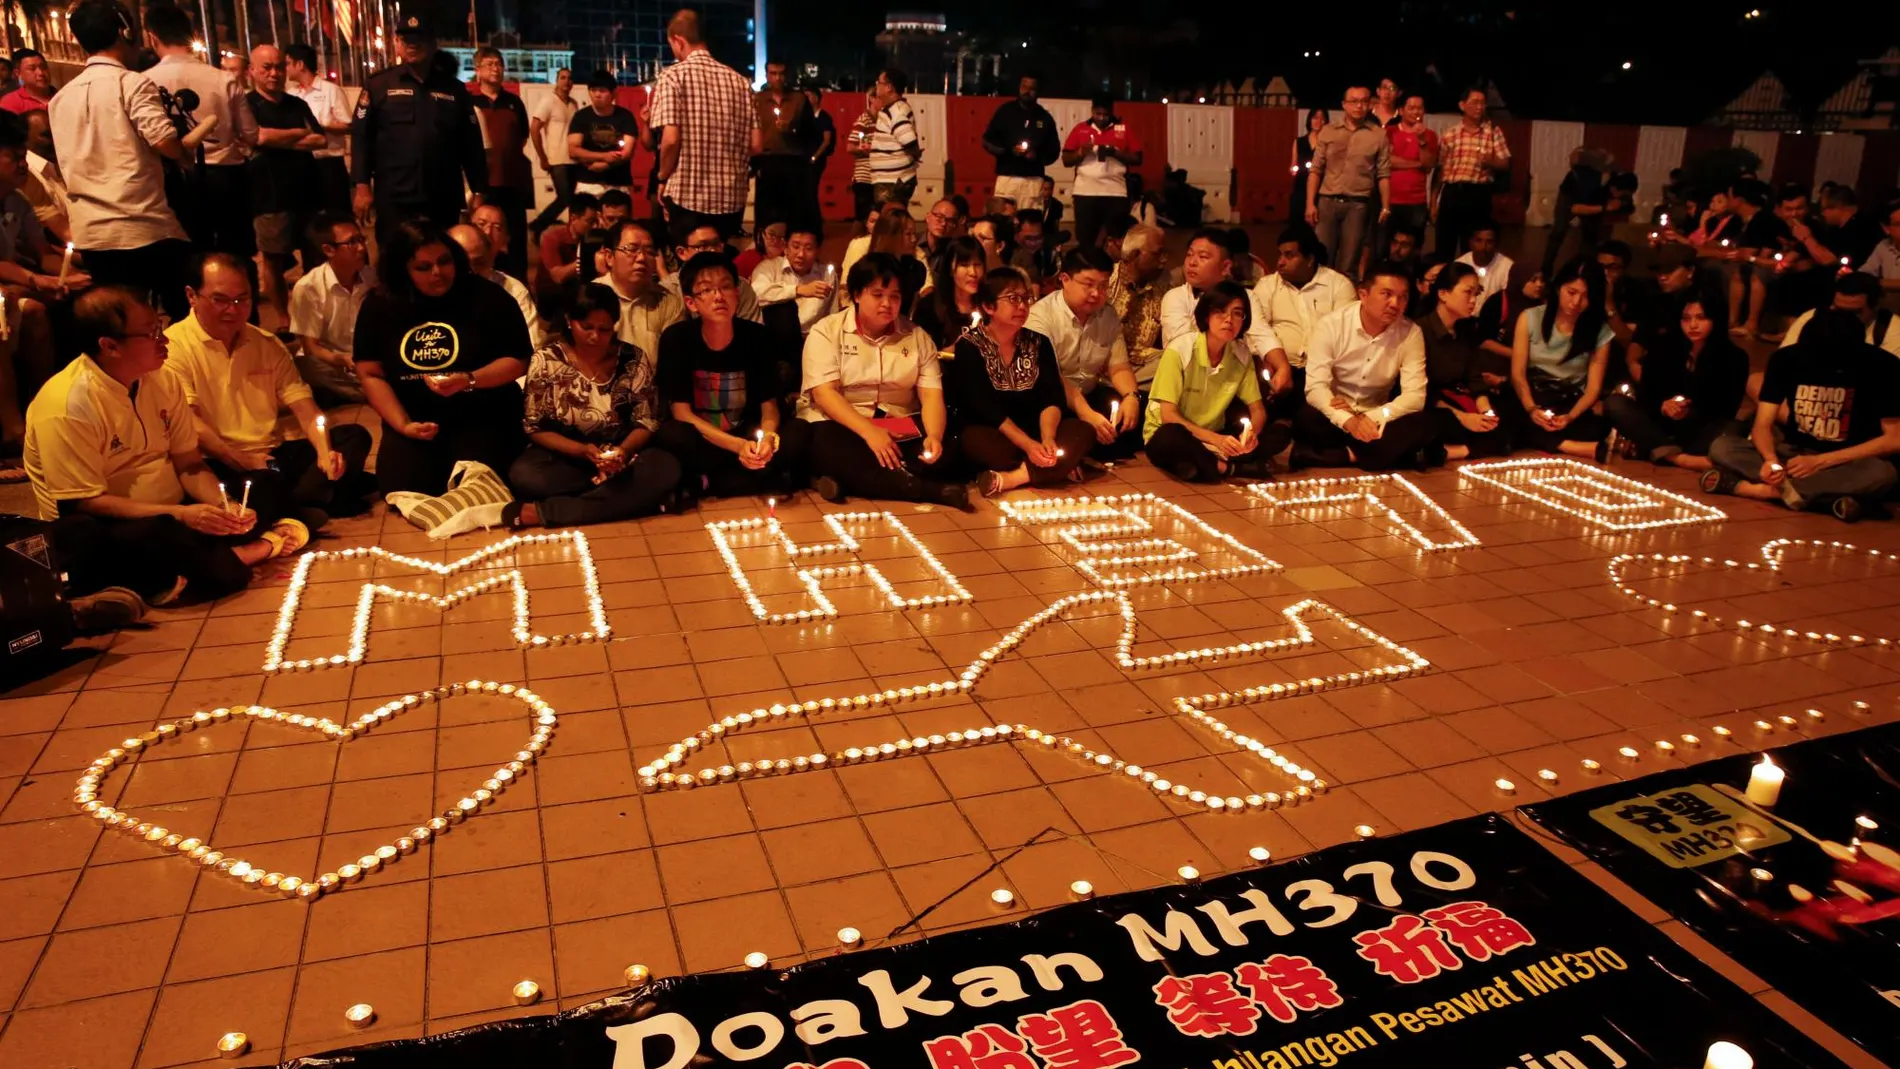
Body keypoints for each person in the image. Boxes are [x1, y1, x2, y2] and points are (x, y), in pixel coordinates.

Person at [26, 288, 292, 606]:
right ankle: (253, 549)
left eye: (161, 325)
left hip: (177, 509)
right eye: (151, 333)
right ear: (110, 346)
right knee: (162, 542)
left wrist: (226, 508)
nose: (164, 339)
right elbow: (84, 502)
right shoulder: (68, 405)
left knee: (264, 481)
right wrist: (179, 515)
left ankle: (198, 563)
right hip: (118, 525)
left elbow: (189, 463)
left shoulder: (162, 379)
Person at [166, 252, 373, 528]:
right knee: (260, 486)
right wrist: (240, 459)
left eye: (242, 299)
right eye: (221, 300)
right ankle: (315, 499)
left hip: (273, 458)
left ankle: (303, 502)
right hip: (221, 461)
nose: (234, 309)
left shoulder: (265, 343)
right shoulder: (173, 347)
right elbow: (191, 424)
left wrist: (324, 451)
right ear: (192, 296)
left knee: (353, 437)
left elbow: (304, 406)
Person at [352, 219, 530, 494]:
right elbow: (370, 373)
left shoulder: (487, 296)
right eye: (423, 267)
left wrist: (470, 379)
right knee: (404, 487)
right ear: (403, 270)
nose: (438, 272)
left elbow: (518, 360)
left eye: (444, 262)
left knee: (482, 486)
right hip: (414, 418)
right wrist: (403, 424)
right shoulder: (379, 306)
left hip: (481, 412)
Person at [51, 0, 193, 319]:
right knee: (182, 317)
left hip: (92, 234)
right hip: (143, 228)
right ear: (124, 32)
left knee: (120, 324)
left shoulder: (59, 98)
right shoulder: (130, 83)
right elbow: (164, 140)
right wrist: (184, 155)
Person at [496, 282, 679, 526]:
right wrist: (583, 451)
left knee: (665, 466)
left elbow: (647, 419)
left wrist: (622, 452)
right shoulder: (547, 360)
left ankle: (546, 512)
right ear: (570, 321)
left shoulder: (633, 358)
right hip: (570, 458)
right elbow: (535, 427)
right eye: (587, 327)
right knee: (526, 475)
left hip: (625, 456)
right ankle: (640, 500)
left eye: (604, 329)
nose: (595, 336)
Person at [799, 253, 966, 508]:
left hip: (896, 422)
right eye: (877, 295)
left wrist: (934, 435)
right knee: (829, 447)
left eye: (895, 296)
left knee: (948, 446)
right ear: (856, 294)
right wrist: (870, 432)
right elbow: (825, 395)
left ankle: (849, 480)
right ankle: (923, 489)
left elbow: (931, 395)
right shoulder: (827, 332)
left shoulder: (917, 337)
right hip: (843, 423)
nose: (887, 303)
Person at [1704, 308, 1900, 521]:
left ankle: (1757, 490)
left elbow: (1894, 438)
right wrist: (1771, 460)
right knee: (1722, 447)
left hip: (1847, 460)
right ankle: (1825, 500)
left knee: (1882, 474)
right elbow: (1762, 424)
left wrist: (1821, 462)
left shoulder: (1883, 367)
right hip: (1792, 455)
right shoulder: (1787, 359)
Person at [655, 254, 808, 498]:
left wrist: (767, 440)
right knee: (671, 435)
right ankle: (752, 478)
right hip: (706, 440)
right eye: (706, 290)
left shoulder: (756, 337)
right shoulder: (677, 339)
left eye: (726, 287)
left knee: (798, 431)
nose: (718, 296)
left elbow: (768, 406)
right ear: (691, 303)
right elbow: (681, 414)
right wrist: (737, 447)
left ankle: (711, 482)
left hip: (746, 433)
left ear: (737, 293)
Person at [953, 268, 1094, 495]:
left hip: (1037, 429)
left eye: (1026, 298)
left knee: (1083, 431)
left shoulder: (1039, 342)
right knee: (981, 445)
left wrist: (1047, 438)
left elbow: (1052, 397)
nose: (1022, 306)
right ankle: (1056, 467)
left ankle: (1013, 477)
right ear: (989, 306)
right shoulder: (969, 346)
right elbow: (984, 408)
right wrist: (1028, 445)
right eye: (1013, 299)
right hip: (998, 433)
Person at [350, 14, 486, 246]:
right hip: (395, 196)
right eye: (406, 41)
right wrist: (361, 186)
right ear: (397, 44)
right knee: (394, 262)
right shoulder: (378, 85)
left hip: (443, 197)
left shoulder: (455, 90)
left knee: (442, 260)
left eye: (419, 40)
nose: (412, 46)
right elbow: (361, 138)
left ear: (433, 44)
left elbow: (472, 145)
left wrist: (479, 191)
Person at [1294, 264, 1442, 471]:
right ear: (1363, 294)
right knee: (1307, 416)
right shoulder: (1331, 325)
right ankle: (1379, 455)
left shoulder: (1410, 333)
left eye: (1403, 297)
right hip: (1337, 414)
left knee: (1423, 422)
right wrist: (1349, 421)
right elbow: (1316, 388)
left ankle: (1346, 455)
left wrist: (1371, 417)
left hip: (1378, 417)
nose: (1395, 304)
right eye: (1387, 294)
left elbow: (1415, 397)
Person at [1606, 274, 1746, 471]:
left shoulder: (1734, 357)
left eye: (1701, 318)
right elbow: (1647, 393)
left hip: (1700, 430)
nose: (1693, 326)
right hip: (1659, 425)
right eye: (1686, 319)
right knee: (1616, 404)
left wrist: (1689, 411)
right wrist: (1663, 406)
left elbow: (1726, 408)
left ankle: (1658, 452)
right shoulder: (1664, 347)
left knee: (1732, 428)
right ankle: (1675, 456)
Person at [1142, 282, 1269, 482]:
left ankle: (1202, 465)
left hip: (1214, 433)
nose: (1229, 320)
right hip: (1175, 434)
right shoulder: (1181, 349)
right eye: (1220, 312)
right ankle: (1226, 468)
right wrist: (1216, 440)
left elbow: (1258, 410)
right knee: (1170, 436)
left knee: (1278, 433)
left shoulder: (1241, 354)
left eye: (1237, 313)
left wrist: (1250, 434)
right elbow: (1168, 415)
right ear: (1206, 315)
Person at [650, 9, 757, 245]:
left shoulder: (672, 76)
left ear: (678, 40)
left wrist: (662, 177)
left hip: (687, 198)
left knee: (691, 270)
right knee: (722, 267)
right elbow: (756, 145)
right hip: (731, 200)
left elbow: (670, 140)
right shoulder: (740, 82)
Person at [1024, 245, 1140, 461]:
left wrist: (1132, 397)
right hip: (1051, 400)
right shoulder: (1040, 317)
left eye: (1104, 286)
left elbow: (1119, 366)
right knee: (1076, 430)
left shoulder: (1107, 315)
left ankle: (1085, 453)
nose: (1097, 293)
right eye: (1088, 284)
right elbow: (1053, 378)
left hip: (1088, 394)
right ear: (1065, 279)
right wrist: (1087, 415)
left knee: (1128, 418)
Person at [246, 44, 324, 324]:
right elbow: (258, 138)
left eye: (279, 66)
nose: (274, 73)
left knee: (316, 259)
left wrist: (276, 139)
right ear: (252, 71)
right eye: (266, 67)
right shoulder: (247, 105)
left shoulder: (297, 104)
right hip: (269, 196)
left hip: (307, 194)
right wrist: (298, 135)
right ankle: (282, 319)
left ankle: (314, 317)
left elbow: (320, 139)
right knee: (273, 261)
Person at [1160, 228, 1292, 395]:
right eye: (1189, 255)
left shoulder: (1246, 297)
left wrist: (1282, 367)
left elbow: (1262, 335)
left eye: (1202, 257)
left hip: (1235, 380)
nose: (1192, 262)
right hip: (1190, 383)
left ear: (1226, 266)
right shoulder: (1175, 297)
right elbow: (1182, 346)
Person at [1506, 258, 1615, 457]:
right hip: (1532, 394)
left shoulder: (1600, 331)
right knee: (1510, 417)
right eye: (1571, 292)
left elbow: (1593, 389)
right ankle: (1573, 447)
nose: (1576, 303)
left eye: (1585, 296)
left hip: (1568, 399)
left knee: (1593, 426)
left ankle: (1552, 439)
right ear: (1558, 288)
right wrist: (1531, 409)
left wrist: (1570, 417)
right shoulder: (1530, 318)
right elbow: (1518, 374)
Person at [1253, 223, 1357, 402]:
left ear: (1310, 259)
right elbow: (1258, 330)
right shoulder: (1267, 285)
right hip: (1280, 368)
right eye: (1280, 254)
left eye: (1289, 255)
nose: (1280, 262)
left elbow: (1346, 335)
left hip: (1325, 371)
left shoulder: (1338, 285)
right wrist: (1270, 362)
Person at [1422, 263, 1508, 459]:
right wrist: (1462, 417)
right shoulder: (1421, 331)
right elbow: (1424, 392)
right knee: (1430, 423)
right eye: (1467, 293)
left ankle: (1454, 451)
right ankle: (1445, 451)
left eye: (1476, 294)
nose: (1473, 300)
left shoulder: (1466, 329)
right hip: (1435, 405)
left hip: (1461, 399)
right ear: (1443, 294)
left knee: (1506, 418)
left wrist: (1485, 410)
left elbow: (1474, 377)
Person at [1305, 86, 1392, 277]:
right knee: (1321, 258)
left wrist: (1386, 206)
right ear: (1344, 105)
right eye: (1353, 101)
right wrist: (1310, 203)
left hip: (1358, 204)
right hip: (1327, 200)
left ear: (1370, 105)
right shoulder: (1328, 131)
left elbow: (1383, 174)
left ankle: (1345, 302)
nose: (1359, 106)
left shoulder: (1378, 135)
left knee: (1349, 261)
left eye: (1363, 101)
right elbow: (1316, 170)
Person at [288, 212, 372, 405]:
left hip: (365, 360)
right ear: (328, 249)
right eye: (352, 242)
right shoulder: (308, 287)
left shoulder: (371, 279)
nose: (361, 248)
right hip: (332, 362)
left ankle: (361, 391)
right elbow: (311, 348)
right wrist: (342, 359)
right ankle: (370, 392)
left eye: (361, 239)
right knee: (306, 365)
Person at [467, 47, 533, 281]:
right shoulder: (469, 102)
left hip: (512, 183)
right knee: (481, 239)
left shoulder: (514, 103)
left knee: (515, 241)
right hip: (483, 186)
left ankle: (519, 290)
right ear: (477, 69)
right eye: (490, 64)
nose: (496, 68)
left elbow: (523, 138)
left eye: (499, 64)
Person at [1059, 96, 1142, 254]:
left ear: (1111, 112)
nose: (1101, 118)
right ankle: (1087, 269)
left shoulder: (1123, 129)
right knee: (1085, 238)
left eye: (1105, 114)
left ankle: (1115, 273)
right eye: (1098, 114)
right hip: (1085, 192)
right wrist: (1081, 152)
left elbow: (1138, 159)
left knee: (1117, 238)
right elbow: (1066, 160)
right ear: (1092, 111)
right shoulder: (1080, 129)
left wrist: (1116, 153)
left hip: (1115, 192)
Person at [1434, 87, 1511, 258]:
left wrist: (1489, 161)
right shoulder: (1450, 133)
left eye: (1482, 103)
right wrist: (1434, 201)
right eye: (1475, 102)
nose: (1479, 107)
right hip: (1452, 191)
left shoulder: (1492, 132)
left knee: (1472, 246)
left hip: (1478, 193)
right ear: (1462, 105)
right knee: (1444, 244)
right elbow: (1441, 168)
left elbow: (1505, 162)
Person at [449, 222, 548, 349]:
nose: (471, 270)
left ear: (491, 257)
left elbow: (532, 345)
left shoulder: (512, 289)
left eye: (479, 263)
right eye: (462, 263)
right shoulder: (435, 290)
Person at [282, 43, 351, 218]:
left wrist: (320, 125)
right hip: (302, 162)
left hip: (329, 163)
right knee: (309, 218)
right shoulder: (291, 94)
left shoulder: (330, 90)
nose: (285, 69)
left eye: (288, 63)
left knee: (337, 216)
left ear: (300, 64)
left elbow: (348, 125)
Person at [599, 218, 684, 361]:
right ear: (609, 257)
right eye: (631, 249)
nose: (641, 258)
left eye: (649, 251)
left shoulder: (668, 301)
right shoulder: (593, 297)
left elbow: (674, 361)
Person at [1719, 179, 1787, 337]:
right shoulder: (1739, 219)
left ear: (1739, 200)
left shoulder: (1762, 218)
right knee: (1736, 272)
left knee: (1753, 273)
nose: (1727, 201)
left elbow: (1749, 252)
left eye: (1729, 197)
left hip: (1775, 262)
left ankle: (1751, 324)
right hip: (1757, 260)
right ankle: (1732, 321)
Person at [754, 59, 815, 235]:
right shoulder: (758, 99)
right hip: (767, 160)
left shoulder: (799, 99)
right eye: (773, 73)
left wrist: (793, 130)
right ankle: (764, 244)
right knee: (766, 210)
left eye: (781, 74)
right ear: (766, 75)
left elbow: (811, 132)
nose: (777, 78)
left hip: (792, 160)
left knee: (793, 210)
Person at [983, 75, 1059, 214]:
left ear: (1038, 91)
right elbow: (987, 141)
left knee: (1029, 222)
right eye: (1024, 87)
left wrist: (1036, 156)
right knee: (1002, 221)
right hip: (1007, 178)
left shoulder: (1044, 117)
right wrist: (1009, 151)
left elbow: (1054, 151)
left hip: (1033, 180)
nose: (1027, 91)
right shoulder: (1005, 111)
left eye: (1032, 89)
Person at [1777, 271, 1900, 357]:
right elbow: (1784, 362)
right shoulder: (1811, 318)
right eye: (1838, 309)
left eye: (1854, 312)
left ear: (1876, 306)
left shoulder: (1894, 330)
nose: (1842, 317)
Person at [1625, 244, 1700, 381]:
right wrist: (1633, 364)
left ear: (1690, 271)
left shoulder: (1703, 304)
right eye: (1659, 271)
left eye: (1669, 271)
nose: (1662, 277)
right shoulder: (1658, 302)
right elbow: (1639, 339)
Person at [1107, 222, 1168, 383]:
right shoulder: (1106, 280)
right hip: (1105, 365)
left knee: (1179, 361)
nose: (1164, 259)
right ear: (1134, 255)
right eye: (1157, 253)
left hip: (1143, 368)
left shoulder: (1161, 288)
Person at [750, 224, 834, 336]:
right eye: (796, 247)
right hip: (775, 338)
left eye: (808, 248)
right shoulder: (768, 268)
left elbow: (833, 314)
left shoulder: (826, 275)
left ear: (818, 250)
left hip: (813, 338)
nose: (801, 254)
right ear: (785, 247)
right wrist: (798, 290)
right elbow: (756, 294)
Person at [568, 70, 639, 197]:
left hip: (619, 183)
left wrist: (606, 165)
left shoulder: (625, 116)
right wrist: (604, 156)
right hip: (587, 183)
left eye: (602, 90)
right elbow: (573, 150)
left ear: (613, 93)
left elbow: (628, 152)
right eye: (593, 90)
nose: (597, 95)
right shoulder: (581, 116)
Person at [1384, 95, 1436, 265]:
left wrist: (1421, 141)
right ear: (1401, 110)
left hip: (1416, 201)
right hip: (1390, 199)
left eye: (1419, 108)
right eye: (1411, 107)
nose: (1416, 111)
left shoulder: (1429, 135)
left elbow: (1428, 166)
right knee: (1387, 247)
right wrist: (1416, 163)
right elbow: (1387, 160)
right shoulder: (1389, 131)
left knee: (1414, 250)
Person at [528, 67, 579, 233]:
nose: (566, 81)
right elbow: (534, 129)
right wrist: (542, 157)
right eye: (563, 77)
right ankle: (538, 225)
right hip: (557, 160)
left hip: (574, 160)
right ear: (556, 80)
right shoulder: (548, 101)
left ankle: (573, 234)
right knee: (565, 198)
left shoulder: (573, 104)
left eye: (570, 78)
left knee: (573, 202)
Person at [913, 235, 986, 352]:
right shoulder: (929, 308)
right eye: (964, 265)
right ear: (950, 269)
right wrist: (955, 350)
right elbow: (922, 356)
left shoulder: (989, 306)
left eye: (977, 265)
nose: (973, 272)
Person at [864, 68, 921, 208]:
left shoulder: (896, 111)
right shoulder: (890, 109)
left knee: (891, 221)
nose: (877, 85)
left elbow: (908, 140)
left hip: (894, 180)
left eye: (879, 82)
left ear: (889, 87)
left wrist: (914, 155)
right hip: (890, 179)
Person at [535, 190, 600, 302]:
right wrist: (587, 259)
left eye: (596, 222)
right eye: (590, 222)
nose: (594, 226)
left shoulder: (594, 237)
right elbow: (558, 277)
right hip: (554, 296)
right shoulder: (552, 236)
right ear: (573, 218)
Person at [868, 207, 927, 311]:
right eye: (908, 234)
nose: (914, 239)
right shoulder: (870, 269)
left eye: (914, 233)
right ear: (891, 235)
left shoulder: (915, 269)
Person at [1455, 220, 1513, 308]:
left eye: (1489, 242)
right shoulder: (1459, 265)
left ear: (1496, 244)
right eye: (1479, 241)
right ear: (1470, 243)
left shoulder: (1508, 267)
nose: (1483, 247)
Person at [1289, 107, 1326, 219]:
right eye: (1315, 118)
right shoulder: (1299, 141)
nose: (1318, 122)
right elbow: (1293, 164)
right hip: (1301, 184)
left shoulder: (1327, 142)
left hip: (1321, 186)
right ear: (1310, 120)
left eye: (1322, 119)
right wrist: (1293, 169)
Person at [1860, 200, 1900, 296]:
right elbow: (1865, 273)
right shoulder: (1884, 246)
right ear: (1886, 228)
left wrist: (1875, 283)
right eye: (1899, 224)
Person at [0, 49, 53, 114]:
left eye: (43, 67)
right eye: (32, 69)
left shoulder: (62, 95)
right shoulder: (10, 102)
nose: (41, 73)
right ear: (18, 73)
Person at [920, 197, 961, 263]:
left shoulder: (954, 249)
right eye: (939, 216)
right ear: (928, 217)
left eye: (949, 220)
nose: (944, 223)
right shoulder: (913, 243)